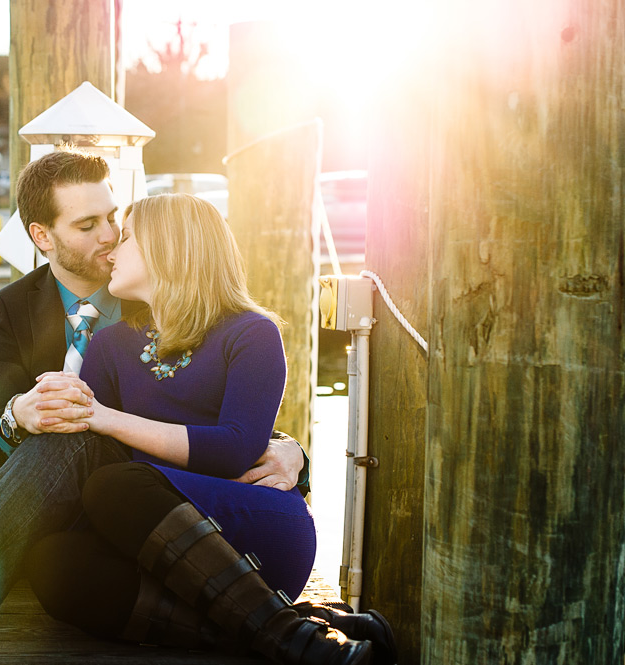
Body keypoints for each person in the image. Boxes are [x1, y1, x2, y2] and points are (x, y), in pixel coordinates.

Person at [0, 151, 308, 665]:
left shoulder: (161, 296)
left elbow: (233, 420)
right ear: (43, 237)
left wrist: (293, 451)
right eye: (89, 224)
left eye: (115, 219)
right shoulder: (11, 308)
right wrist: (17, 417)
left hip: (126, 495)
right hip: (21, 487)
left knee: (78, 437)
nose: (111, 237)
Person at [24, 194, 396, 665]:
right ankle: (293, 632)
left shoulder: (251, 332)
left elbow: (234, 451)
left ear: (170, 247)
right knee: (54, 563)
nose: (112, 252)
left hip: (252, 526)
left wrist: (104, 416)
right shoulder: (111, 345)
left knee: (118, 485)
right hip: (151, 536)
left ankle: (289, 634)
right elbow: (91, 454)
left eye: (128, 238)